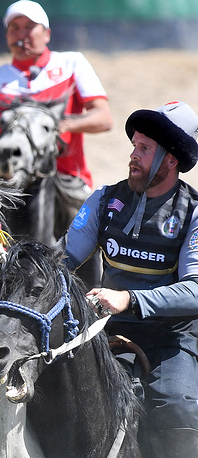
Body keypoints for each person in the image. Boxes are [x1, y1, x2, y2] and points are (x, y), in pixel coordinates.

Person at [64, 101, 198, 456]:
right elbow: (60, 261)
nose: (133, 156)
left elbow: (196, 291)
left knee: (178, 409)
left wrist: (130, 299)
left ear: (171, 159)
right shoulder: (103, 200)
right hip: (109, 332)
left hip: (172, 339)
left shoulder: (193, 213)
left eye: (144, 148)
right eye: (133, 146)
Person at [0, 0, 112, 238]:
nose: (21, 34)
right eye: (14, 28)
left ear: (46, 34)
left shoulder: (71, 64)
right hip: (9, 182)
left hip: (68, 180)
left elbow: (104, 118)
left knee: (89, 243)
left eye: (29, 27)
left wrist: (62, 126)